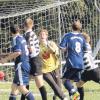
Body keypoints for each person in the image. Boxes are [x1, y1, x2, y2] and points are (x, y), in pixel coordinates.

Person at [0, 25, 34, 100]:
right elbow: (19, 51)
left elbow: (18, 52)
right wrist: (5, 55)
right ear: (19, 30)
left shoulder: (15, 39)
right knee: (14, 88)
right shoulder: (22, 38)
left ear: (10, 32)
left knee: (21, 88)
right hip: (25, 64)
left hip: (21, 65)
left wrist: (5, 59)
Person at [59, 20, 87, 100]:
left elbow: (62, 47)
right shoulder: (82, 37)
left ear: (72, 27)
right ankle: (74, 97)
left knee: (64, 80)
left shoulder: (67, 35)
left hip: (71, 62)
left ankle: (74, 93)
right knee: (72, 82)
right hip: (80, 63)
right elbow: (85, 49)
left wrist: (66, 49)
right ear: (80, 28)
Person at [21, 18, 47, 100]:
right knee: (25, 83)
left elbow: (30, 49)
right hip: (33, 60)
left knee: (39, 84)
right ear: (32, 25)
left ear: (24, 26)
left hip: (34, 60)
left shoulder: (27, 35)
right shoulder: (31, 33)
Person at [38, 29, 68, 100]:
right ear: (38, 37)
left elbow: (56, 52)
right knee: (54, 85)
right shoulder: (37, 47)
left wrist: (50, 48)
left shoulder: (51, 43)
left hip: (55, 68)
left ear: (46, 36)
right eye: (40, 34)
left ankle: (55, 97)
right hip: (45, 71)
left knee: (59, 88)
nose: (42, 36)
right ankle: (64, 98)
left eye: (44, 34)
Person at [76, 32, 100, 100]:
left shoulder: (85, 45)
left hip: (94, 71)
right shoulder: (86, 45)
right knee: (78, 84)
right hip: (87, 72)